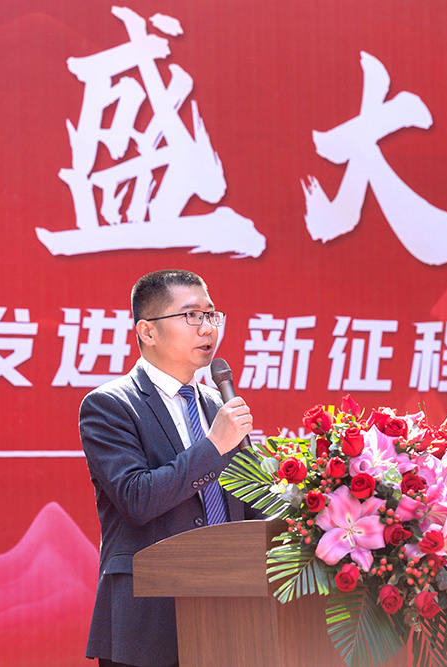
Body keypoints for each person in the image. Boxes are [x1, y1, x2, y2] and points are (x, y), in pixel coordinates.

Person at [80, 269, 261, 667]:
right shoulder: (111, 405)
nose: (208, 328)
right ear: (147, 331)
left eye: (212, 315)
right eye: (192, 315)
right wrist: (214, 446)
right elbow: (137, 499)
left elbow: (252, 505)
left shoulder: (219, 406)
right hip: (149, 620)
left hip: (232, 615)